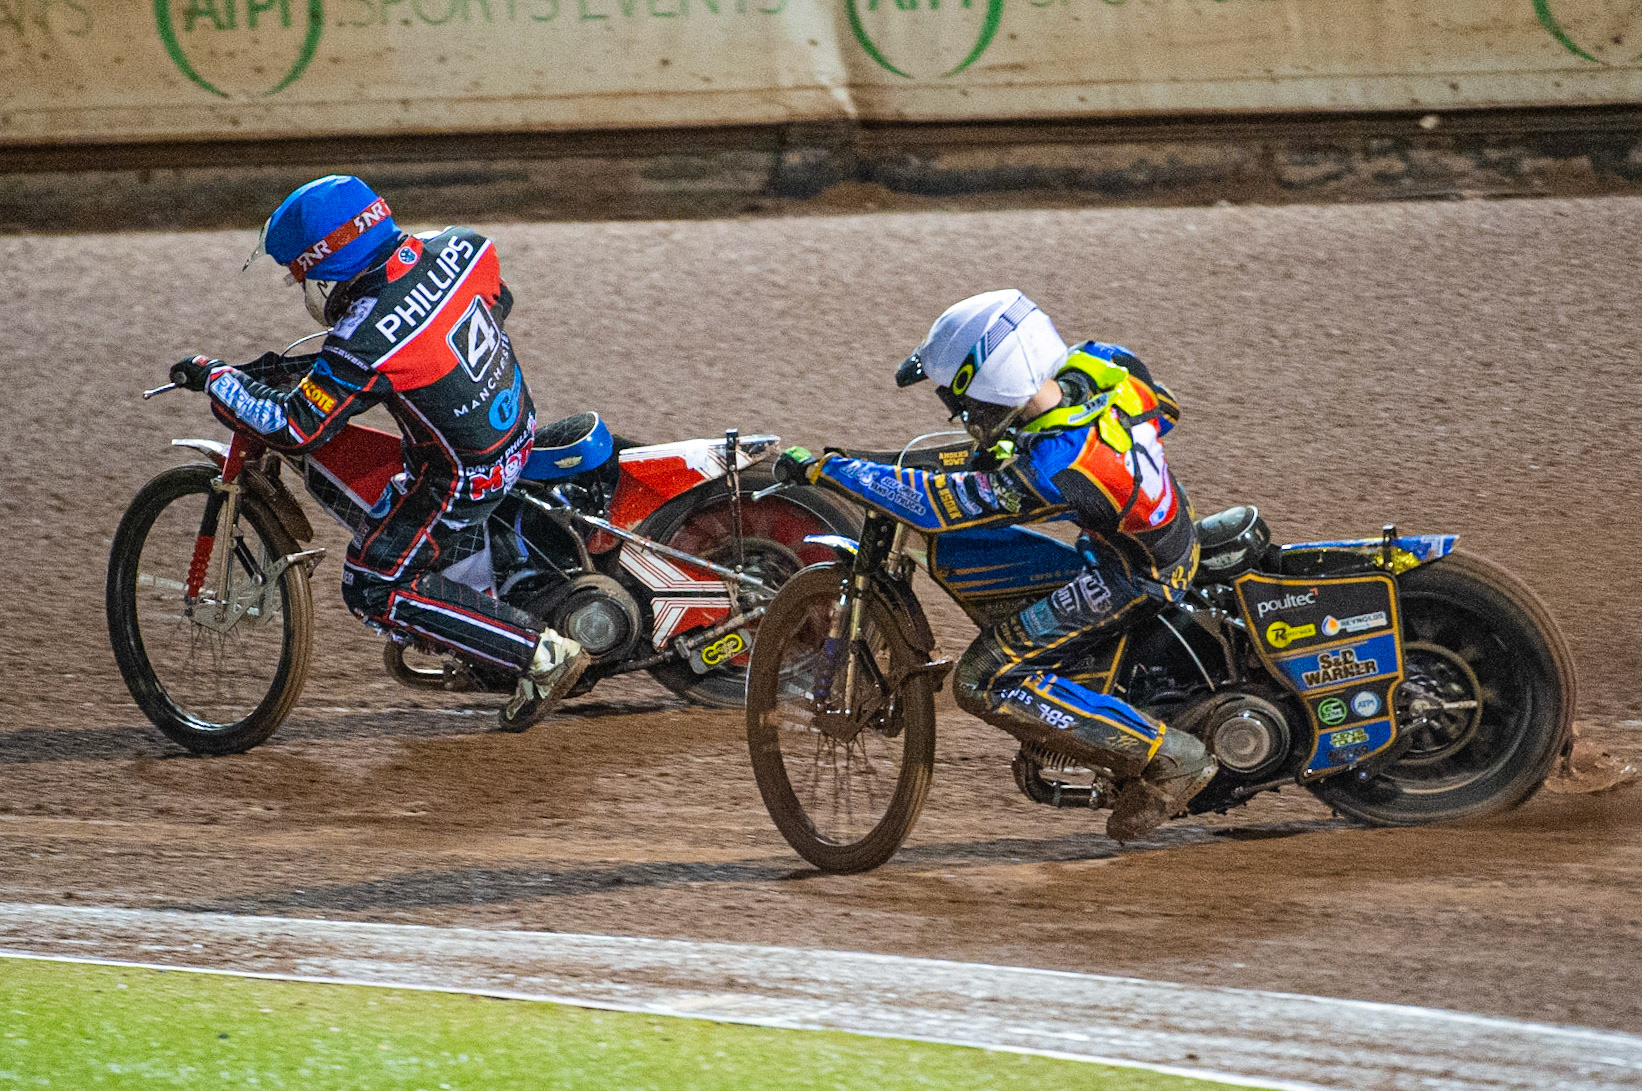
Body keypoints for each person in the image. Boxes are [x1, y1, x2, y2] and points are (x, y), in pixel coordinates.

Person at [775, 290, 1216, 840]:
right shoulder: (1106, 364)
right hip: (1164, 534)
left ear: (991, 386)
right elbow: (1165, 408)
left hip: (1134, 577)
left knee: (983, 678)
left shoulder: (1057, 466)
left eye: (961, 404)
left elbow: (938, 506)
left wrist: (833, 473)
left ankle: (1168, 757)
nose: (959, 417)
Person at [167, 174, 587, 731]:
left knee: (372, 583)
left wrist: (215, 377)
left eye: (300, 276)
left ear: (324, 267)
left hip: (461, 475)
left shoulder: (365, 340)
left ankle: (538, 653)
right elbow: (495, 302)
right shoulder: (461, 245)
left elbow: (296, 428)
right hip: (517, 427)